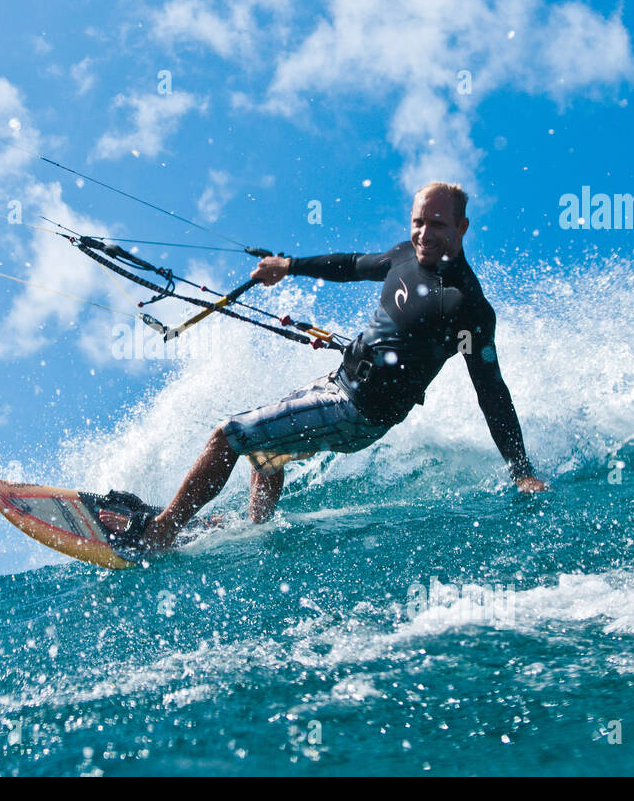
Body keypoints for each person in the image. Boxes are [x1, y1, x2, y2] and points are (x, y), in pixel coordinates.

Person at [101, 181, 548, 551]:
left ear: (462, 227)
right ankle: (253, 531)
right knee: (266, 454)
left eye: (437, 224)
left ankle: (161, 531)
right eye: (418, 222)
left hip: (360, 413)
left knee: (228, 436)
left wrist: (521, 469)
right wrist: (289, 266)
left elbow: (491, 389)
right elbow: (352, 265)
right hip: (338, 382)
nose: (424, 234)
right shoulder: (405, 255)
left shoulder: (467, 305)